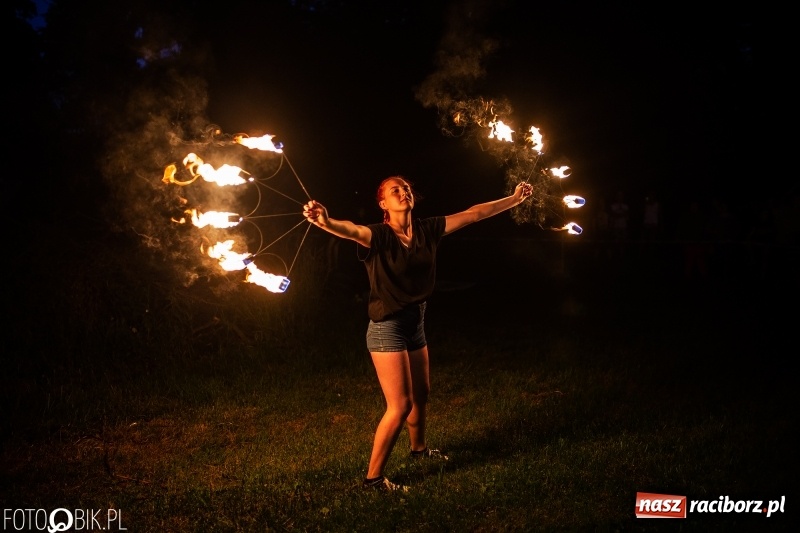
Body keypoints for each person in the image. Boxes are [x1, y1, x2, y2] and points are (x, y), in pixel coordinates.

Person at [303, 176, 533, 492]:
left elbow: (474, 214)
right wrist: (325, 221)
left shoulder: (427, 230)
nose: (403, 192)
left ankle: (419, 450)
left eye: (407, 188)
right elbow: (351, 230)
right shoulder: (378, 236)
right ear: (383, 203)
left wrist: (514, 199)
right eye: (394, 190)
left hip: (415, 321)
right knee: (400, 405)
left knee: (421, 396)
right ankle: (372, 479)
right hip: (387, 326)